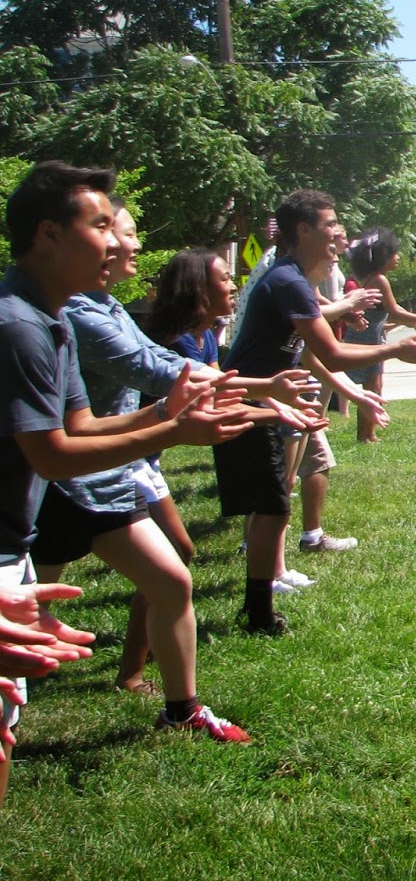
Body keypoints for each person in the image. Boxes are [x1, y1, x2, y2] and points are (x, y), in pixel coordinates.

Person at [0, 162, 260, 800]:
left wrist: (167, 412)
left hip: (18, 534)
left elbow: (82, 425)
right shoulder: (19, 326)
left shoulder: (52, 316)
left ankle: (179, 706)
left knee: (6, 721)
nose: (118, 242)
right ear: (48, 235)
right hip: (24, 525)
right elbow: (53, 457)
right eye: (100, 226)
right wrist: (174, 432)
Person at [33, 203, 316, 740]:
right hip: (54, 482)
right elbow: (151, 370)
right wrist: (260, 393)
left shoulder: (108, 307)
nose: (133, 245)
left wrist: (262, 392)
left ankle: (180, 708)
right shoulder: (70, 315)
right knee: (28, 608)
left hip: (107, 475)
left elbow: (159, 368)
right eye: (117, 231)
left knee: (171, 579)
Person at [216, 188, 416, 636]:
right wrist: (395, 349)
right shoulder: (288, 280)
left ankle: (260, 605)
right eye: (330, 224)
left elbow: (311, 355)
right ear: (304, 230)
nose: (338, 233)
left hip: (270, 399)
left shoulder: (295, 279)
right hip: (252, 400)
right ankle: (258, 611)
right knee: (272, 506)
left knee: (274, 505)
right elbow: (332, 353)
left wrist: (354, 393)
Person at [344, 227, 416, 441]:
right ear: (382, 257)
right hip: (367, 339)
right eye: (394, 253)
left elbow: (393, 311)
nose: (398, 258)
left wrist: (415, 322)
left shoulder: (371, 277)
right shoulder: (380, 279)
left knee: (375, 386)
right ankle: (365, 435)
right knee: (372, 388)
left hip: (370, 337)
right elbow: (394, 312)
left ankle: (369, 434)